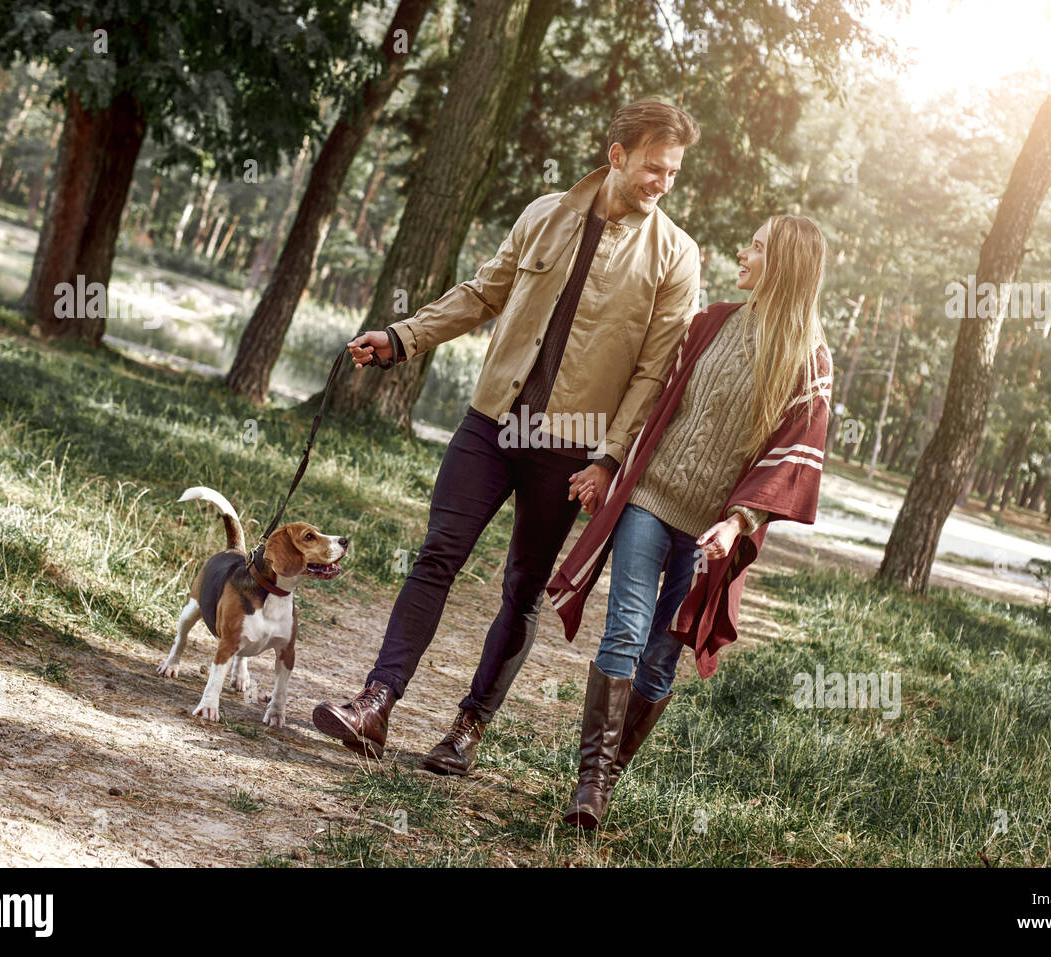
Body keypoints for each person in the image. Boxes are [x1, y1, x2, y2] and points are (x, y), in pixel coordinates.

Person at [311, 99, 703, 775]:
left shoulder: (676, 257)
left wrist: (609, 459)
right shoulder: (544, 214)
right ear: (617, 155)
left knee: (522, 590)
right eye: (652, 167)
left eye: (672, 173)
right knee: (437, 555)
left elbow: (653, 374)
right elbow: (481, 294)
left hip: (571, 448)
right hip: (493, 421)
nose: (661, 183)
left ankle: (467, 728)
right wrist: (403, 337)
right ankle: (377, 701)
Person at [546, 214, 833, 829]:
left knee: (660, 656)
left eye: (755, 247)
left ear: (783, 263)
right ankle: (590, 787)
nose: (742, 252)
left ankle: (612, 774)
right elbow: (651, 403)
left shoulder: (809, 361)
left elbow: (792, 458)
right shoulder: (709, 324)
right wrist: (609, 463)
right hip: (651, 499)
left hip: (712, 531)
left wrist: (738, 522)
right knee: (624, 629)